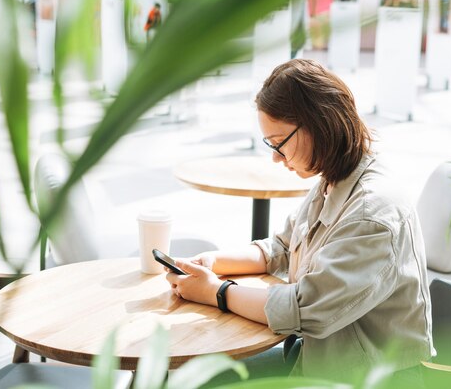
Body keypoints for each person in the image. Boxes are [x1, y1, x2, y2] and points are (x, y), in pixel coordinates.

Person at [166, 59, 433, 386]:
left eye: (278, 142)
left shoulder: (371, 212)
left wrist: (216, 292)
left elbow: (305, 310)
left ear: (319, 125)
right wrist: (213, 262)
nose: (275, 157)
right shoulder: (335, 181)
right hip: (324, 362)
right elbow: (282, 246)